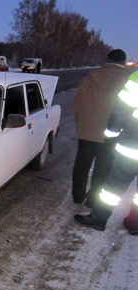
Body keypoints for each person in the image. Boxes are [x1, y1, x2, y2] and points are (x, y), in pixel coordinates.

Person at [75, 70, 138, 235]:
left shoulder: (137, 78)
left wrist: (110, 135)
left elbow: (121, 110)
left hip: (133, 146)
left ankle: (98, 218)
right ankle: (135, 223)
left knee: (114, 186)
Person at [71, 49, 130, 208]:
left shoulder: (88, 79)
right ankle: (92, 199)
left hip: (87, 130)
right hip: (113, 133)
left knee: (82, 165)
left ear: (107, 60)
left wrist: (80, 123)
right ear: (123, 63)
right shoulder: (128, 82)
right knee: (103, 167)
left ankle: (77, 195)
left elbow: (76, 106)